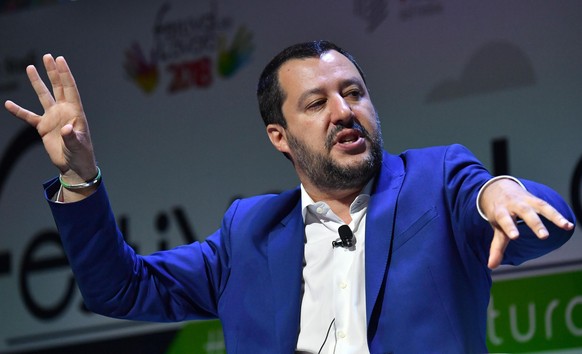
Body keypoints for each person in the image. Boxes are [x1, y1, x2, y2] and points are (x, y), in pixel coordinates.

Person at [4, 40, 576, 353]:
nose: (343, 111)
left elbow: (537, 220)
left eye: (353, 93)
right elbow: (119, 288)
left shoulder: (436, 181)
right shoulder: (248, 233)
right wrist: (80, 176)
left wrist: (500, 191)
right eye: (316, 102)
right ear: (279, 136)